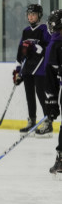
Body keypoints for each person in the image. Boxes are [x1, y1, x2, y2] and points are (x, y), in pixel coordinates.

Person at [12, 4, 51, 138]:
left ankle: (48, 122)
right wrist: (17, 71)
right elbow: (20, 52)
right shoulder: (26, 31)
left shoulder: (44, 29)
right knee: (29, 94)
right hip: (28, 67)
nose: (31, 16)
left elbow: (49, 47)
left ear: (39, 15)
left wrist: (35, 47)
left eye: (33, 14)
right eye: (29, 14)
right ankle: (32, 121)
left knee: (40, 93)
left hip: (40, 68)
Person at [44, 10, 62, 176]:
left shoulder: (54, 45)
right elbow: (50, 77)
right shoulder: (54, 46)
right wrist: (52, 102)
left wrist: (52, 101)